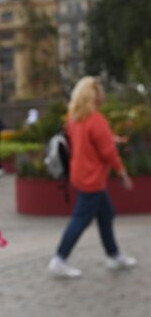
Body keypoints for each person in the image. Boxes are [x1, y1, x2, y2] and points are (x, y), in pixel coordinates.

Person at [47, 77, 136, 278]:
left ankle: (113, 255)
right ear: (94, 96)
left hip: (80, 175)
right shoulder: (96, 120)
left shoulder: (75, 118)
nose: (103, 95)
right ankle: (60, 259)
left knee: (106, 214)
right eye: (101, 91)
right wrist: (122, 174)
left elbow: (87, 142)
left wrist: (109, 138)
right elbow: (109, 153)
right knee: (80, 219)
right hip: (92, 178)